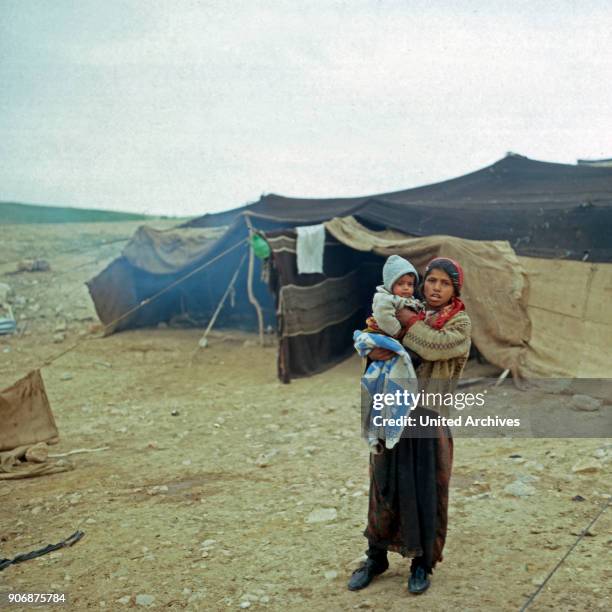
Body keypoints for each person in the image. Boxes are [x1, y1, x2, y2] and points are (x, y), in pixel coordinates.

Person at [348, 257, 471, 595]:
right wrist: (373, 352)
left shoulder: (458, 323)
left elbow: (433, 347)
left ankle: (421, 563)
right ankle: (376, 556)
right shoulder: (408, 309)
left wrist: (403, 322)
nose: (435, 288)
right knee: (384, 484)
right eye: (431, 280)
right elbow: (377, 341)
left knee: (426, 489)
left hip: (430, 419)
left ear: (454, 290)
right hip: (393, 413)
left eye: (444, 283)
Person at [371, 254, 423, 338]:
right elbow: (384, 317)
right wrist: (397, 332)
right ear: (390, 285)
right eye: (400, 284)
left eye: (410, 284)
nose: (406, 288)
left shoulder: (409, 299)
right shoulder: (384, 299)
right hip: (390, 335)